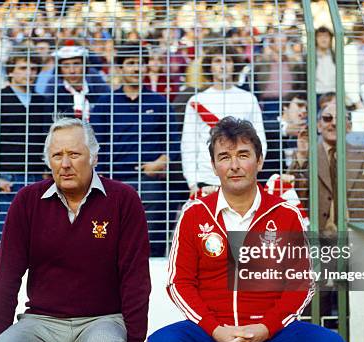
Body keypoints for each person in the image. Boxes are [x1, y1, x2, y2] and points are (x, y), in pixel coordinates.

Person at [146, 116, 348, 342]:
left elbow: (300, 284)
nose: (235, 165)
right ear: (214, 166)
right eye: (225, 157)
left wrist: (263, 329)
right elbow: (179, 282)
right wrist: (217, 330)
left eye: (243, 155)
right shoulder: (194, 214)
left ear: (260, 161)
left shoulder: (285, 214)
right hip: (211, 335)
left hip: (270, 335)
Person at [0, 118, 151, 342]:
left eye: (74, 154)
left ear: (93, 157)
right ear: (48, 160)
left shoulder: (123, 199)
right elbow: (6, 278)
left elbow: (136, 279)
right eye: (57, 155)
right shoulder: (26, 201)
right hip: (40, 324)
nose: (65, 163)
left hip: (102, 322)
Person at [90, 42, 178, 257]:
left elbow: (174, 142)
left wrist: (160, 163)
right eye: (130, 63)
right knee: (110, 243)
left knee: (153, 242)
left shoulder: (160, 103)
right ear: (120, 68)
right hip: (113, 182)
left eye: (140, 63)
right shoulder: (105, 103)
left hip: (150, 184)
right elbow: (93, 145)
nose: (136, 68)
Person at [287, 101, 364, 234]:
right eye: (327, 118)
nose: (333, 123)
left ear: (349, 127)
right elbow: (290, 193)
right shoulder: (308, 155)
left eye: (339, 119)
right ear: (318, 126)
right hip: (319, 240)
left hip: (361, 238)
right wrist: (301, 155)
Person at [0, 49, 51, 256]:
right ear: (11, 71)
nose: (29, 73)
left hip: (38, 181)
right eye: (23, 68)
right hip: (8, 181)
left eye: (33, 69)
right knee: (4, 243)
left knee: (38, 243)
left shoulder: (43, 102)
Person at [182, 45, 266, 194]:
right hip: (206, 179)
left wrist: (253, 171)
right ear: (210, 66)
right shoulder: (196, 100)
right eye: (217, 61)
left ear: (234, 65)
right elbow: (189, 144)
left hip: (242, 176)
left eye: (227, 60)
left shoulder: (249, 98)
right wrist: (192, 183)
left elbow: (260, 140)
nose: (222, 65)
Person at [41, 45, 110, 120]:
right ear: (59, 70)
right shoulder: (54, 93)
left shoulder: (97, 86)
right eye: (66, 66)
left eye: (76, 64)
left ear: (85, 66)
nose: (72, 71)